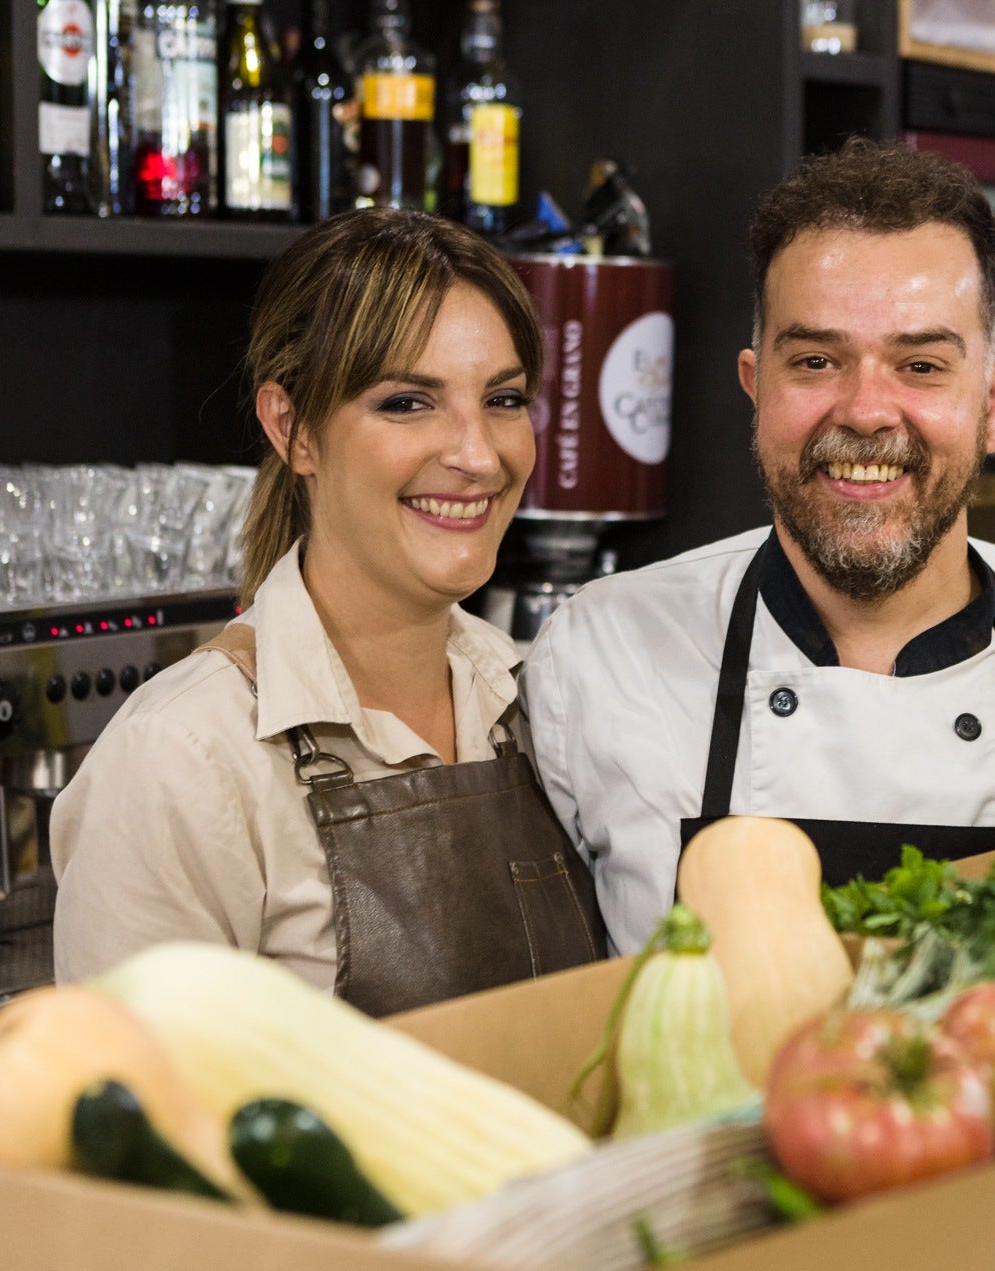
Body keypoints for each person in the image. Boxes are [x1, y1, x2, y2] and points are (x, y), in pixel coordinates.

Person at [523, 141, 995, 954]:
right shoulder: (598, 657)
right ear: (756, 388)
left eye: (920, 365)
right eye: (816, 360)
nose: (865, 411)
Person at [52, 209, 605, 1012]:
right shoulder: (181, 760)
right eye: (409, 402)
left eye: (504, 399)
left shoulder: (541, 700)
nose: (479, 454)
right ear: (294, 429)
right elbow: (137, 1124)